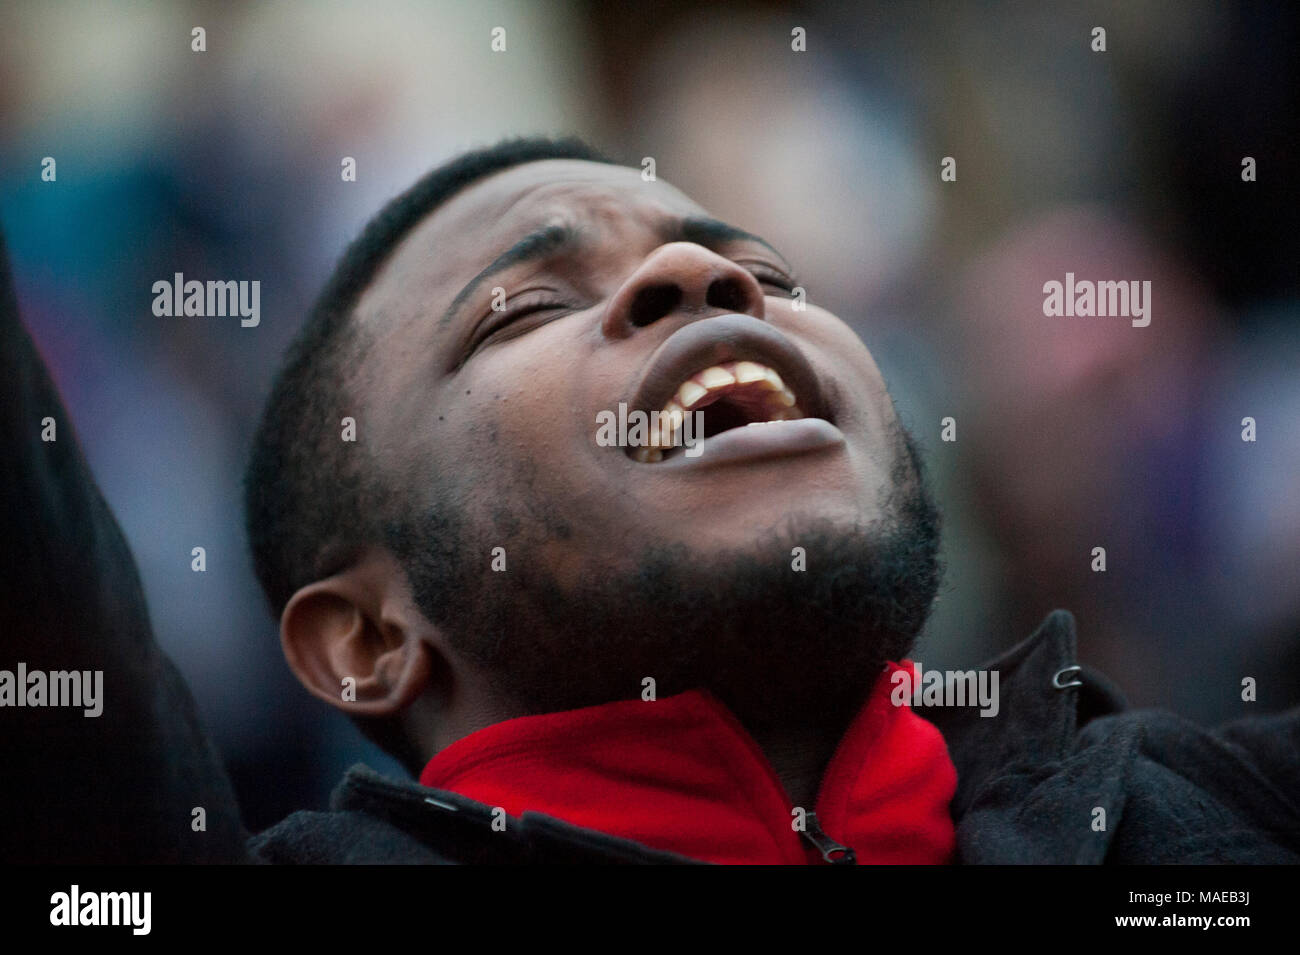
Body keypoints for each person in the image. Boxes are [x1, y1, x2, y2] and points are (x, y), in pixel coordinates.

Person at [3, 138, 1297, 864]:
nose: (699, 273)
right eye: (522, 305)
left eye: (767, 272)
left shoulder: (1228, 814)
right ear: (367, 637)